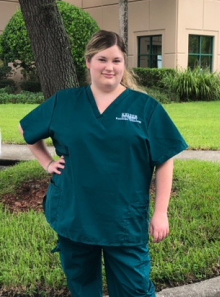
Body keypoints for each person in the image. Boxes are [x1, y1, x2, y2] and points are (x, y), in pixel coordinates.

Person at [19, 30, 187, 297]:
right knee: (82, 287)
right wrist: (47, 163)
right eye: (102, 59)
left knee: (134, 290)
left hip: (124, 220)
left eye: (117, 60)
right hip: (75, 215)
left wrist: (161, 212)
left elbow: (165, 158)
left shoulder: (145, 108)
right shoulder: (64, 102)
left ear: (124, 64)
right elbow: (26, 129)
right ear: (88, 62)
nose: (109, 67)